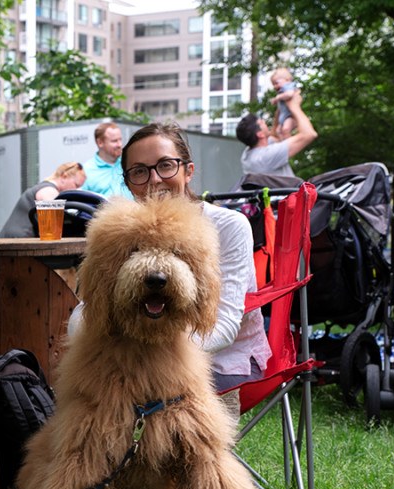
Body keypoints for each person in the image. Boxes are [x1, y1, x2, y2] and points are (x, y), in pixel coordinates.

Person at [70, 122, 271, 415]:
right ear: (128, 182)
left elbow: (225, 328)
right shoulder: (118, 231)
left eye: (166, 165)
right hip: (128, 360)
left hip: (217, 360)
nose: (154, 180)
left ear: (188, 171)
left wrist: (153, 353)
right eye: (139, 171)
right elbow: (88, 311)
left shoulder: (228, 225)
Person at [236, 89, 317, 179]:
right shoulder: (266, 157)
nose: (264, 122)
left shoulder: (248, 155)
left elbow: (273, 136)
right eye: (261, 122)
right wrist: (294, 106)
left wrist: (280, 108)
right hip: (291, 188)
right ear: (260, 134)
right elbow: (309, 134)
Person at [0, 161, 86, 238]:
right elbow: (52, 223)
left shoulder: (43, 187)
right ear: (64, 176)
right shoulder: (49, 190)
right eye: (76, 185)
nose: (76, 190)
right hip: (18, 242)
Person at [80, 122, 133, 200]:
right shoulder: (86, 170)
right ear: (100, 143)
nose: (119, 144)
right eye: (114, 141)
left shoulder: (129, 162)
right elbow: (80, 201)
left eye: (120, 139)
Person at [269, 67, 299, 141]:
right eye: (273, 84)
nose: (275, 86)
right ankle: (284, 144)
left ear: (287, 80)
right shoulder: (282, 91)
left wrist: (278, 98)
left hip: (289, 116)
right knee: (278, 131)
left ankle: (290, 145)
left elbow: (289, 94)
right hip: (284, 117)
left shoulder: (288, 86)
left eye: (276, 83)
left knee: (286, 129)